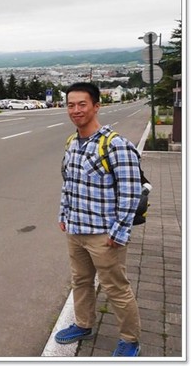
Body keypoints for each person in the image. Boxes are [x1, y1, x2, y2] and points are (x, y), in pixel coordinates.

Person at [55, 82, 142, 357]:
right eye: (71, 105)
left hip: (104, 236)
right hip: (76, 230)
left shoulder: (115, 144)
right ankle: (83, 324)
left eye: (82, 104)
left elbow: (131, 192)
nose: (76, 110)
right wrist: (63, 214)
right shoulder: (72, 142)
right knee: (80, 281)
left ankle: (130, 339)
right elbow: (68, 183)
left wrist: (119, 233)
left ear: (96, 106)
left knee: (116, 288)